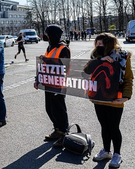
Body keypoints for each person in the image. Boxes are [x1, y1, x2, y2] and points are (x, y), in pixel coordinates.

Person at [83, 33, 133, 168]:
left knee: (114, 127)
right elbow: (86, 71)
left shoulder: (123, 56)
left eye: (101, 44)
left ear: (109, 44)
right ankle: (106, 151)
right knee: (104, 126)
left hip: (115, 99)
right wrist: (99, 60)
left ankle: (117, 154)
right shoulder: (96, 56)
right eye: (97, 44)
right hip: (98, 98)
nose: (98, 46)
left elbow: (128, 78)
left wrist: (126, 96)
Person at [34, 24, 71, 148]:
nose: (46, 36)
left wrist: (47, 60)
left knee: (59, 109)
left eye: (47, 34)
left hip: (58, 84)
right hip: (48, 82)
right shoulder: (50, 47)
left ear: (53, 35)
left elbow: (64, 66)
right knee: (49, 108)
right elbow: (44, 65)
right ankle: (57, 130)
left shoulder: (63, 49)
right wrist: (37, 79)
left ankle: (64, 134)